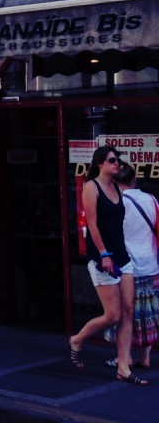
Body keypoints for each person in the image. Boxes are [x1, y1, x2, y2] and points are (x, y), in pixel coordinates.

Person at [68, 146, 147, 385]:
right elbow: (92, 224)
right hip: (103, 256)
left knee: (127, 311)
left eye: (118, 161)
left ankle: (123, 366)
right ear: (100, 163)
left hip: (122, 255)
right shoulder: (91, 186)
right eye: (112, 160)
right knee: (112, 315)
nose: (117, 164)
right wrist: (104, 253)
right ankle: (77, 339)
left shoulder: (116, 188)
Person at [104, 162, 159, 370]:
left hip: (126, 266)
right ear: (134, 180)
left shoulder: (116, 204)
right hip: (151, 263)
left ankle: (123, 357)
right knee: (148, 313)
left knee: (126, 314)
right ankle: (145, 356)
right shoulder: (150, 199)